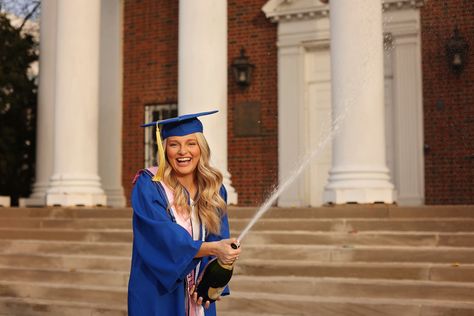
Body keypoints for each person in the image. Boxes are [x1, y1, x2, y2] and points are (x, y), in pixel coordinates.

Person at [128, 110, 241, 316]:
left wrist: (212, 280)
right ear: (164, 150)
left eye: (191, 143)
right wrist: (213, 248)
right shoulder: (149, 185)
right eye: (174, 144)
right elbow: (161, 236)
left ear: (201, 148)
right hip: (158, 290)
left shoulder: (214, 189)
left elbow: (219, 237)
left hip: (197, 292)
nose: (183, 151)